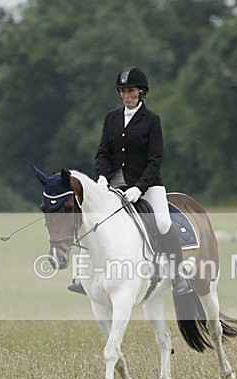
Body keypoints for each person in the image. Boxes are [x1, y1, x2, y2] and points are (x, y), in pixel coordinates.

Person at [67, 66, 192, 296]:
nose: (127, 96)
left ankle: (177, 274)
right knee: (93, 221)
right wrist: (102, 177)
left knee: (163, 223)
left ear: (141, 92)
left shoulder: (152, 120)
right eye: (122, 91)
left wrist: (139, 188)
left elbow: (155, 159)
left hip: (147, 184)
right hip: (113, 184)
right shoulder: (112, 118)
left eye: (131, 91)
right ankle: (84, 276)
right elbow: (103, 152)